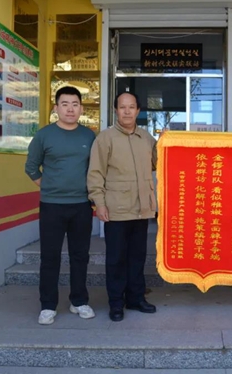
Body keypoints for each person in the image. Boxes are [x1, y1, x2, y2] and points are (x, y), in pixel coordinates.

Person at [25, 86, 96, 325]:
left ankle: (79, 301)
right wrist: (48, 185)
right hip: (52, 206)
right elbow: (31, 167)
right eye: (65, 104)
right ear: (56, 108)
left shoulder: (89, 137)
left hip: (81, 205)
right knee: (50, 257)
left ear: (81, 108)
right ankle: (48, 305)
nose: (70, 109)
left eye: (75, 104)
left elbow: (95, 169)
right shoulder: (44, 135)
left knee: (80, 255)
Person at [87, 91, 158, 322]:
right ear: (116, 110)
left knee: (137, 257)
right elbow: (95, 173)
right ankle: (116, 303)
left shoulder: (146, 138)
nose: (127, 111)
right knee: (116, 259)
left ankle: (136, 298)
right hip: (116, 209)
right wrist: (99, 203)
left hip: (142, 208)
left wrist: (167, 143)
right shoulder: (105, 138)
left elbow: (159, 162)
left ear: (138, 110)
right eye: (122, 107)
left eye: (131, 107)